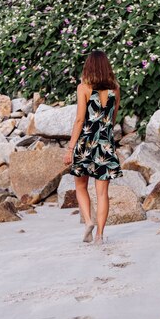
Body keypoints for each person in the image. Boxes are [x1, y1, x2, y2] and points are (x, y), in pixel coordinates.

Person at [64, 50, 123, 244]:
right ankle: (99, 236)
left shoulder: (84, 88)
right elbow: (112, 119)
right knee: (102, 193)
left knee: (80, 186)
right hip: (105, 144)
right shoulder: (115, 89)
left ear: (88, 66)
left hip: (85, 142)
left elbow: (80, 119)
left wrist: (70, 148)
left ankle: (89, 221)